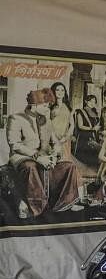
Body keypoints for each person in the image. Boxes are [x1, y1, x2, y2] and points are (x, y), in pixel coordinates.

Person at [5, 89, 82, 217]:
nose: (48, 108)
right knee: (31, 167)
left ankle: (65, 203)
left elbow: (55, 143)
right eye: (45, 105)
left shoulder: (46, 121)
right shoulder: (15, 118)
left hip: (45, 158)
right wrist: (37, 157)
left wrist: (55, 154)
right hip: (22, 158)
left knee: (69, 166)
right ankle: (35, 208)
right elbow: (15, 144)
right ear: (34, 105)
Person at [72, 94, 102, 168]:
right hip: (84, 138)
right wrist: (92, 129)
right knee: (84, 160)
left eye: (94, 102)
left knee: (94, 160)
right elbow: (80, 126)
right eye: (90, 101)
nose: (92, 103)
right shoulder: (80, 112)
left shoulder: (95, 112)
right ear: (86, 101)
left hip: (94, 136)